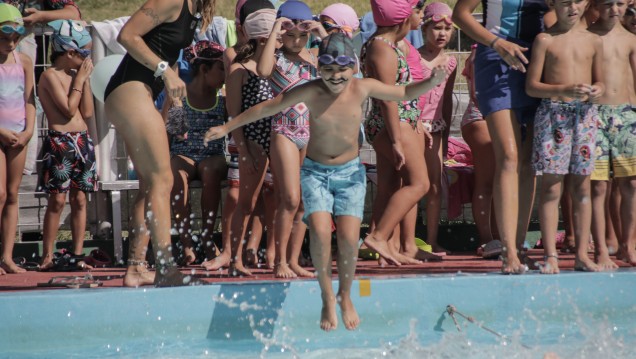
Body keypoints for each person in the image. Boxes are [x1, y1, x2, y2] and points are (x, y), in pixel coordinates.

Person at [204, 32, 447, 331]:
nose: (335, 77)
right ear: (320, 69)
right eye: (329, 71)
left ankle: (345, 296)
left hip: (349, 175)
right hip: (316, 172)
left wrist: (432, 82)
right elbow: (267, 108)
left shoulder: (363, 87)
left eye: (342, 71)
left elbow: (404, 93)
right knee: (319, 233)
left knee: (347, 239)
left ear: (353, 68)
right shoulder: (310, 90)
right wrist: (228, 126)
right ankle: (327, 297)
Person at [103, 0, 216, 286]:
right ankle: (166, 267)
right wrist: (164, 70)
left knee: (150, 186)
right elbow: (127, 35)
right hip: (129, 90)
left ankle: (136, 268)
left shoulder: (194, 9)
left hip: (145, 93)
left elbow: (169, 58)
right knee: (162, 180)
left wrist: (175, 115)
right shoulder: (172, 0)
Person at [453, 0, 548, 273]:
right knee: (508, 155)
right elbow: (460, 15)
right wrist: (496, 43)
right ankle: (508, 252)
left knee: (529, 162)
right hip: (497, 60)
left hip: (538, 59)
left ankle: (519, 247)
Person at [525, 0, 605, 273]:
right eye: (565, 3)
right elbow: (532, 87)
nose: (572, 8)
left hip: (585, 116)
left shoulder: (593, 41)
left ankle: (582, 254)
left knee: (582, 187)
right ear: (553, 4)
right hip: (553, 115)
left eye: (577, 2)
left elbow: (601, 81)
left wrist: (596, 89)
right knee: (551, 186)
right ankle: (551, 256)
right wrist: (564, 88)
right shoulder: (545, 40)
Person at [204, 8, 277, 277]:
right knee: (246, 201)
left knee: (279, 198)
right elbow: (234, 116)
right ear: (262, 38)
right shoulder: (239, 70)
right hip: (253, 142)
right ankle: (234, 257)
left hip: (279, 141)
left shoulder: (278, 67)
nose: (280, 41)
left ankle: (275, 255)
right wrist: (244, 150)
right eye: (276, 36)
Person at [361, 0, 433, 266]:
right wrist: (396, 141)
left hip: (399, 122)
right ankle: (379, 237)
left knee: (390, 186)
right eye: (418, 10)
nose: (422, 16)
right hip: (393, 123)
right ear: (403, 18)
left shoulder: (384, 45)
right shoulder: (382, 49)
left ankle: (387, 250)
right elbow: (388, 99)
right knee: (419, 184)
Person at [257, 0, 323, 278]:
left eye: (302, 36)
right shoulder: (277, 58)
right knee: (290, 198)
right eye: (290, 35)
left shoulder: (315, 59)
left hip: (307, 132)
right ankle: (279, 261)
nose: (296, 41)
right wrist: (274, 32)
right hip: (283, 131)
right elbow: (261, 71)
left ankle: (294, 260)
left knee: (304, 201)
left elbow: (350, 66)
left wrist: (322, 32)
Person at [37, 19, 96, 271]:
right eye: (85, 54)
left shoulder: (76, 76)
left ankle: (78, 253)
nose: (87, 60)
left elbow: (87, 111)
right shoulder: (49, 75)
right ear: (70, 52)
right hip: (59, 142)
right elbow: (67, 108)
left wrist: (84, 80)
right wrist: (80, 80)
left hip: (82, 141)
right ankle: (47, 255)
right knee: (57, 201)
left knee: (80, 199)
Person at [162, 40, 227, 266]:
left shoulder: (224, 97)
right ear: (204, 69)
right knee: (177, 174)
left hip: (213, 154)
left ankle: (208, 236)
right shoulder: (179, 94)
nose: (226, 75)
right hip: (184, 152)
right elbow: (170, 132)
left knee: (211, 171)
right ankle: (186, 240)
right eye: (222, 68)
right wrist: (175, 107)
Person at [588, 0, 636, 267]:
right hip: (594, 116)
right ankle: (602, 249)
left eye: (619, 3)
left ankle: (629, 245)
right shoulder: (586, 37)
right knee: (599, 185)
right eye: (608, 3)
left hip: (627, 116)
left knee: (630, 183)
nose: (614, 9)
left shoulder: (630, 39)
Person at [417, 2, 458, 255]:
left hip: (436, 129)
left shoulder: (451, 62)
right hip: (412, 127)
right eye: (436, 28)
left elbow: (448, 98)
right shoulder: (413, 56)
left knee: (434, 186)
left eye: (447, 29)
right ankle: (404, 242)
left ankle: (432, 240)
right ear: (424, 29)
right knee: (409, 185)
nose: (442, 33)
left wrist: (446, 133)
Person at [0, 3, 35, 275]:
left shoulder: (24, 61)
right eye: (4, 38)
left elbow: (30, 100)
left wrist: (28, 132)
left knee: (13, 195)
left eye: (15, 39)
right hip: (0, 132)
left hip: (19, 134)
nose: (11, 44)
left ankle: (7, 257)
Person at [460, 44, 500, 256]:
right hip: (482, 116)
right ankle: (487, 239)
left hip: (494, 117)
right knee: (486, 181)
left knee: (499, 182)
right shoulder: (480, 50)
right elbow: (478, 94)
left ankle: (499, 236)